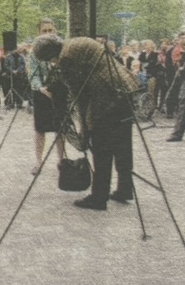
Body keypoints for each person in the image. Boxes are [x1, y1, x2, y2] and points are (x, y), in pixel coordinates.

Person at [34, 35, 138, 211]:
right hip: (124, 89)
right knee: (123, 145)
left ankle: (99, 197)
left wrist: (85, 127)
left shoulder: (66, 59)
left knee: (102, 150)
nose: (52, 63)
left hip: (107, 98)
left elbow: (79, 96)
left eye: (49, 60)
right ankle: (125, 188)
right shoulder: (76, 42)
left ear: (51, 54)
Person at [28, 18, 66, 176]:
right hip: (42, 94)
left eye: (51, 30)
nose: (48, 34)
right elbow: (32, 75)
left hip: (59, 93)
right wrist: (40, 88)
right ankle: (38, 161)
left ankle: (61, 160)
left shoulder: (62, 48)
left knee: (60, 129)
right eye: (45, 31)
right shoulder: (34, 53)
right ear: (38, 33)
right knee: (40, 129)